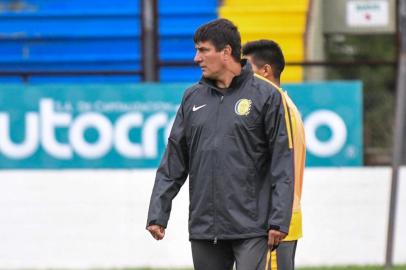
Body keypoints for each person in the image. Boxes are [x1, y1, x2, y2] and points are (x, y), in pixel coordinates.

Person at [146, 19, 295, 270]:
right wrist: (158, 213)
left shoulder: (266, 96)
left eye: (203, 50)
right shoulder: (192, 97)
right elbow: (174, 160)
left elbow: (282, 161)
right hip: (205, 228)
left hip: (253, 228)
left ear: (226, 52)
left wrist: (279, 220)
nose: (196, 58)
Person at [243, 39, 306, 270]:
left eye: (247, 67)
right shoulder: (283, 104)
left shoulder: (278, 108)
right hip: (275, 220)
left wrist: (275, 219)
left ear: (265, 70)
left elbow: (280, 169)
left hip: (274, 223)